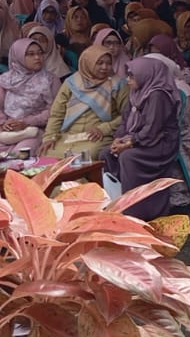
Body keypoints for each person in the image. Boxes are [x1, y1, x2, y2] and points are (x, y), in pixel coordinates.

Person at [104, 58, 182, 221]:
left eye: (132, 77)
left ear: (145, 75)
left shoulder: (158, 95)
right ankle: (117, 203)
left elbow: (152, 129)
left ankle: (136, 210)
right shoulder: (137, 92)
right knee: (105, 153)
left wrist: (129, 143)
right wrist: (118, 139)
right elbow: (126, 121)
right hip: (141, 139)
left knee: (128, 157)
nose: (128, 80)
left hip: (160, 143)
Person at [42, 41, 127, 162]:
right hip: (68, 136)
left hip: (98, 137)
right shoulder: (71, 82)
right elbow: (57, 114)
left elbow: (127, 115)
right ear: (88, 63)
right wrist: (50, 137)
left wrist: (104, 129)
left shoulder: (117, 84)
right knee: (46, 154)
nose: (105, 67)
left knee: (87, 156)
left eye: (108, 63)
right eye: (100, 63)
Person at [0, 38, 57, 155]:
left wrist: (26, 122)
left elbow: (55, 109)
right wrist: (4, 123)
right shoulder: (5, 80)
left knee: (19, 155)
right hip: (7, 130)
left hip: (35, 129)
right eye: (30, 54)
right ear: (18, 56)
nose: (37, 57)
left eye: (40, 53)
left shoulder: (50, 79)